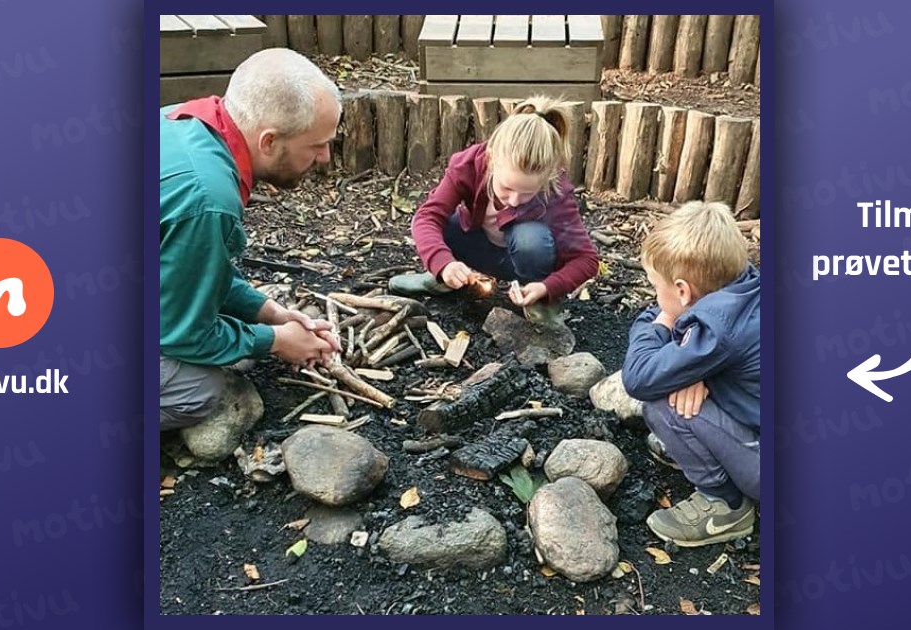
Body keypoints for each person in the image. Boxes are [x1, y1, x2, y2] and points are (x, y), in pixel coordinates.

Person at [159, 49, 342, 454]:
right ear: (270, 140)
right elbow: (180, 333)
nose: (325, 157)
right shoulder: (208, 197)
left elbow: (189, 266)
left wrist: (268, 312)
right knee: (197, 389)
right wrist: (275, 341)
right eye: (317, 145)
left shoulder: (186, 123)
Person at [621, 201, 760, 547]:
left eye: (657, 289)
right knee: (676, 381)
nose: (655, 298)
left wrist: (661, 323)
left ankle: (725, 505)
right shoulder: (747, 286)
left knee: (663, 402)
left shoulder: (717, 333)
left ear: (683, 291)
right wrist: (694, 367)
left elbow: (638, 377)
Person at [390, 97, 599, 326]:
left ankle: (538, 302)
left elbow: (587, 259)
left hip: (523, 263)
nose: (515, 201)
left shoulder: (555, 191)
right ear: (491, 160)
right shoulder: (468, 165)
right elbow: (426, 217)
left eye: (528, 193)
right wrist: (443, 263)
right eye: (507, 188)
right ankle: (444, 279)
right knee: (445, 221)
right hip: (478, 248)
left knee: (531, 237)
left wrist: (547, 287)